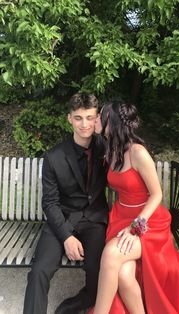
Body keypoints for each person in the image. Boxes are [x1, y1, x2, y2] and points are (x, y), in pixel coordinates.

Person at [89, 101, 179, 314]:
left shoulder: (138, 152)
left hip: (147, 221)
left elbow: (157, 194)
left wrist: (135, 229)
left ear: (110, 123)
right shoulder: (109, 148)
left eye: (99, 116)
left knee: (111, 255)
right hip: (121, 216)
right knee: (123, 274)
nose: (95, 119)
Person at [23, 93, 109, 314]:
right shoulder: (53, 157)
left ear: (97, 118)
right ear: (69, 118)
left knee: (99, 269)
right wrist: (66, 237)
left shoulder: (108, 150)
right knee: (39, 270)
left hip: (94, 220)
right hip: (62, 219)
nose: (85, 124)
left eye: (90, 118)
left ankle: (78, 303)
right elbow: (50, 203)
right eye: (79, 118)